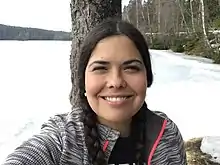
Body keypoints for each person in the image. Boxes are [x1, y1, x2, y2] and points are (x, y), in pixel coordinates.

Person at [2, 18, 187, 165]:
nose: (116, 82)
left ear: (147, 77)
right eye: (100, 68)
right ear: (83, 81)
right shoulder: (63, 139)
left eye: (131, 68)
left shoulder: (166, 135)